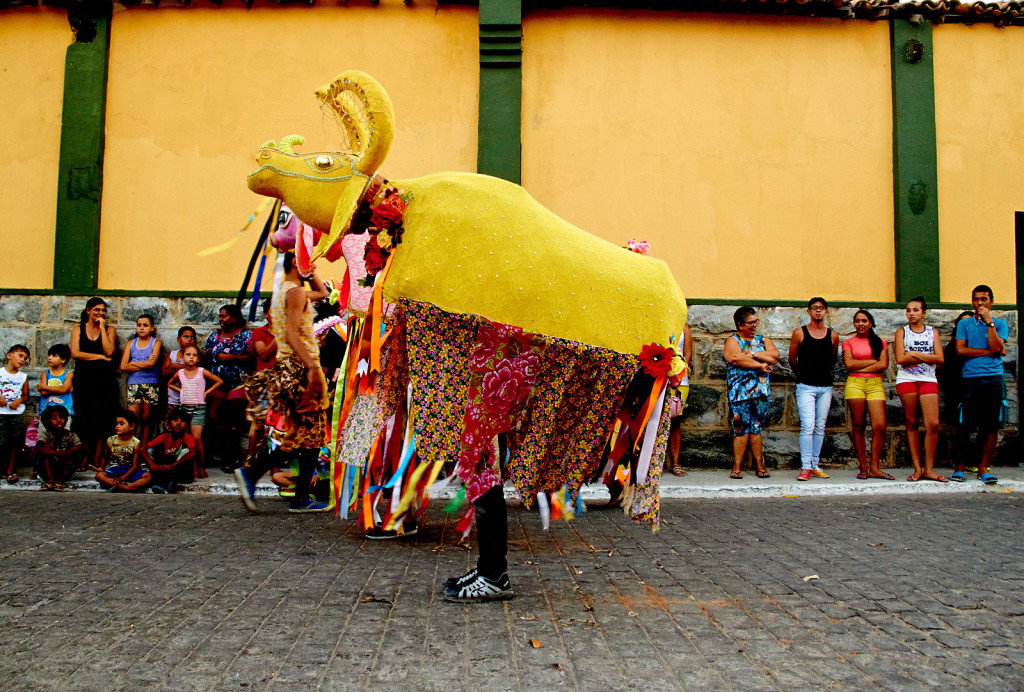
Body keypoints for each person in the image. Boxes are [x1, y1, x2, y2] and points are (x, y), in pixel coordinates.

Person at [236, 251, 331, 513]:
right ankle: (254, 476)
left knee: (304, 435)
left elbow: (322, 293)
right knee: (307, 433)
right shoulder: (295, 293)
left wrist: (310, 273)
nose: (312, 265)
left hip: (291, 368)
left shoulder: (287, 291)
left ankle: (296, 495)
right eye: (307, 261)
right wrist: (311, 366)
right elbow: (290, 332)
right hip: (301, 368)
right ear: (296, 264)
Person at [951, 285, 1008, 484]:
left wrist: (989, 323)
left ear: (991, 301)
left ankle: (983, 467)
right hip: (971, 378)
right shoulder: (965, 324)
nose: (980, 303)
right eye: (976, 299)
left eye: (984, 299)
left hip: (993, 377)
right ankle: (959, 467)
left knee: (991, 425)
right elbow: (961, 350)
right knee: (964, 424)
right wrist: (992, 352)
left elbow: (995, 345)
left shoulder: (1000, 324)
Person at [894, 296, 946, 482]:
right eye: (908, 310)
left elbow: (940, 358)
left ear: (923, 313)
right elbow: (900, 359)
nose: (911, 313)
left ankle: (929, 469)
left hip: (927, 379)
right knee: (911, 422)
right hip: (906, 379)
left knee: (932, 424)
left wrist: (914, 354)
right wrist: (927, 356)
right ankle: (917, 468)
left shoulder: (932, 332)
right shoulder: (902, 332)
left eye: (915, 310)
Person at [723, 307, 779, 479]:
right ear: (740, 325)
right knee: (740, 429)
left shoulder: (763, 339)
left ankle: (759, 465)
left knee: (756, 429)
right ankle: (737, 466)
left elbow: (775, 356)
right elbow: (734, 358)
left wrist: (752, 353)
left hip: (760, 392)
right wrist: (760, 364)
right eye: (751, 322)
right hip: (740, 393)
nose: (754, 325)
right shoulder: (733, 340)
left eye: (756, 321)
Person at [789, 297, 839, 481]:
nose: (818, 311)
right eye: (814, 308)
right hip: (805, 385)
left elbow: (833, 359)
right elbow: (792, 359)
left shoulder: (832, 335)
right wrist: (802, 375)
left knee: (820, 426)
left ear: (826, 312)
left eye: (821, 308)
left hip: (825, 386)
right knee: (808, 425)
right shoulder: (799, 333)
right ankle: (805, 467)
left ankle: (815, 465)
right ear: (808, 311)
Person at [842, 309, 892, 480]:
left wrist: (861, 366)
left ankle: (875, 467)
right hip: (855, 384)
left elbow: (883, 364)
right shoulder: (848, 342)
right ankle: (863, 467)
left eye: (864, 320)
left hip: (875, 384)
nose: (860, 324)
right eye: (857, 321)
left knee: (880, 426)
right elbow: (849, 364)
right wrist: (872, 362)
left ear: (871, 323)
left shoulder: (880, 342)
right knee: (858, 425)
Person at [204, 304, 254, 472]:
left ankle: (233, 457)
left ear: (234, 318)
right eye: (220, 316)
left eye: (224, 316)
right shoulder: (214, 336)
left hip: (238, 384)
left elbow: (252, 357)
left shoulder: (246, 336)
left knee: (234, 420)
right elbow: (206, 356)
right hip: (217, 383)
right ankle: (231, 453)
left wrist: (231, 357)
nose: (220, 319)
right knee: (215, 418)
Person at [70, 297, 119, 462]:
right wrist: (99, 357)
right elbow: (75, 353)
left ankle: (98, 457)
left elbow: (109, 351)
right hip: (84, 379)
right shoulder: (78, 329)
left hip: (104, 380)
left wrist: (102, 329)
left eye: (103, 310)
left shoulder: (109, 330)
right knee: (84, 418)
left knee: (104, 419)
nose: (101, 313)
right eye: (97, 310)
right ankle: (84, 456)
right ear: (88, 311)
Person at [168, 343, 222, 478]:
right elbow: (169, 383)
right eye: (188, 355)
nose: (191, 358)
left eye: (194, 355)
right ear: (183, 357)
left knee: (196, 438)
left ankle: (201, 466)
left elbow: (219, 381)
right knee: (185, 438)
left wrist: (206, 393)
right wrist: (180, 390)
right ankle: (187, 466)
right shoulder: (180, 373)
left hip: (198, 408)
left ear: (198, 359)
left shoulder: (201, 371)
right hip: (184, 408)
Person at [120, 314, 162, 446]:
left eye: (145, 325)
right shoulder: (130, 343)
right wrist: (144, 363)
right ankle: (131, 447)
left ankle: (144, 447)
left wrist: (133, 363)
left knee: (147, 419)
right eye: (139, 325)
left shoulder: (156, 343)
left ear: (152, 328)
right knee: (133, 419)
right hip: (134, 383)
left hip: (151, 383)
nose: (142, 328)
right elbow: (123, 366)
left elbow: (151, 365)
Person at [141, 409, 198, 493]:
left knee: (186, 451)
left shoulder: (187, 437)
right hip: (165, 469)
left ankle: (162, 484)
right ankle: (167, 484)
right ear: (169, 424)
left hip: (181, 472)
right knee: (149, 450)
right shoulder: (164, 436)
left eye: (182, 421)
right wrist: (152, 464)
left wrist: (173, 466)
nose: (179, 423)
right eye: (175, 420)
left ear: (186, 425)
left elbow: (193, 452)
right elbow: (143, 449)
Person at [95, 411, 149, 492]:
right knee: (99, 475)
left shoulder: (136, 443)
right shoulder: (111, 440)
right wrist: (101, 467)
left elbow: (135, 466)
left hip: (130, 470)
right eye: (116, 424)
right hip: (115, 469)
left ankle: (121, 486)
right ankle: (126, 487)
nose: (117, 426)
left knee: (147, 476)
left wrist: (122, 478)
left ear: (131, 426)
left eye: (121, 424)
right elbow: (104, 456)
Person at [664, 325, 692, 477]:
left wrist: (678, 374)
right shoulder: (659, 322)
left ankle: (675, 462)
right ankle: (655, 463)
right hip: (659, 377)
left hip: (679, 381)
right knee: (655, 420)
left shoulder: (684, 328)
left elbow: (687, 353)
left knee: (675, 420)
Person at [36, 405, 84, 491]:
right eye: (54, 418)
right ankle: (50, 481)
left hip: (65, 469)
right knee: (45, 455)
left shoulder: (70, 435)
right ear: (48, 421)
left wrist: (67, 453)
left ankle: (60, 481)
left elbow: (79, 447)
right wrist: (57, 453)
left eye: (61, 417)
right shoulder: (45, 434)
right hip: (46, 470)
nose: (59, 420)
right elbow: (40, 447)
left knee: (73, 456)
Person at [1, 344, 30, 484]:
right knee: (2, 442)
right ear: (9, 355)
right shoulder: (0, 373)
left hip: (15, 413)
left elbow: (26, 395)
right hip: (1, 413)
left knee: (14, 443)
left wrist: (19, 400)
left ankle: (10, 470)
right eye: (20, 356)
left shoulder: (23, 377)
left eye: (25, 358)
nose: (22, 360)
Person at [37, 344, 74, 426]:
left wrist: (44, 386)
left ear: (63, 360)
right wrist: (61, 389)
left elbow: (63, 390)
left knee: (63, 436)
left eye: (54, 356)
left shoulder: (69, 374)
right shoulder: (45, 374)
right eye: (49, 355)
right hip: (46, 411)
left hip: (64, 412)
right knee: (44, 435)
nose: (49, 358)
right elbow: (44, 393)